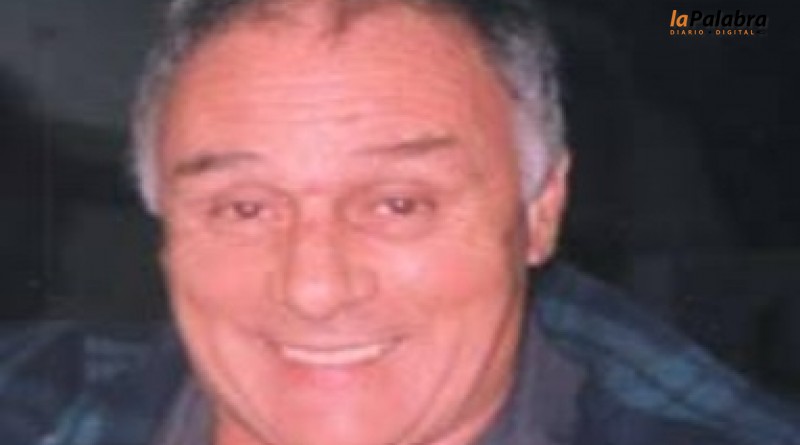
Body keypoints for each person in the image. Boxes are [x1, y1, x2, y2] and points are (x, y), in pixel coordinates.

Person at [1, 0, 799, 444]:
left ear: (541, 208)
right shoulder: (36, 397)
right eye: (244, 208)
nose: (315, 288)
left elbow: (740, 25)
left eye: (399, 203)